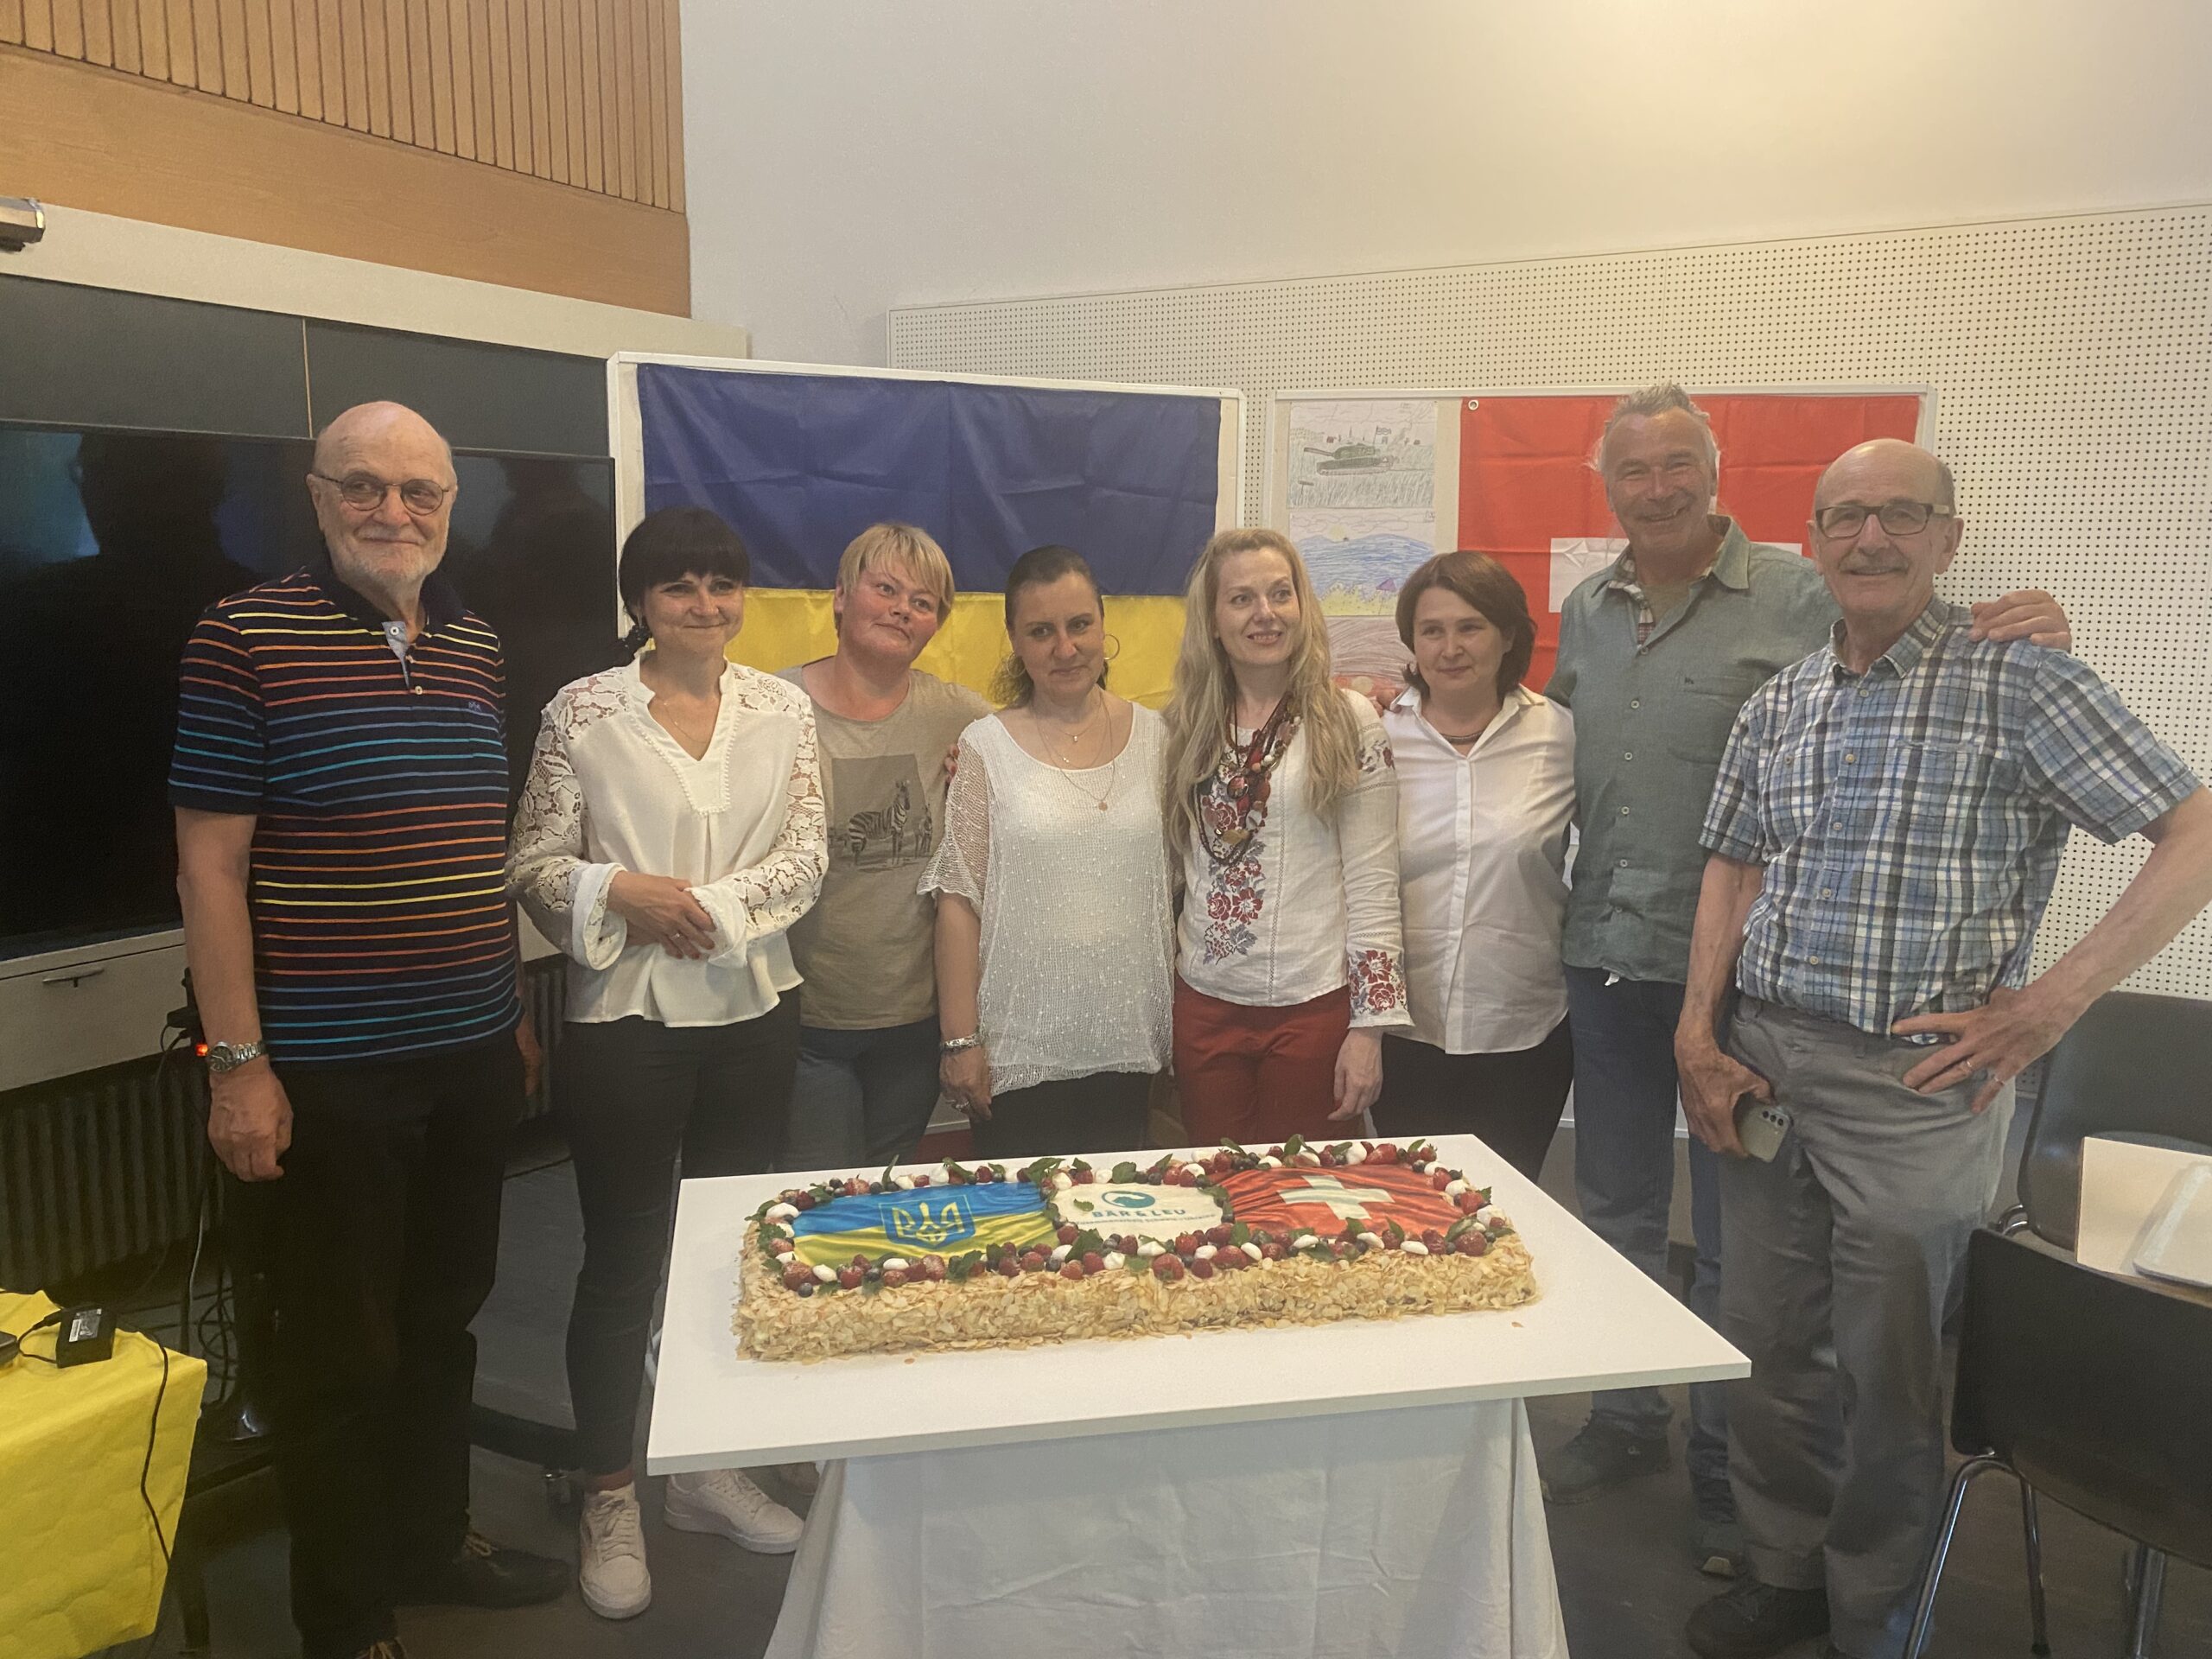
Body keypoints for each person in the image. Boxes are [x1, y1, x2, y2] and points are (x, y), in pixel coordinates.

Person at [1674, 439, 2212, 1659]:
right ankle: (1782, 1570)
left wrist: (2052, 1005)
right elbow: (1733, 867)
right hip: (1764, 1064)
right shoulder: (1782, 701)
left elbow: (2194, 831)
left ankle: (1870, 1612)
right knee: (1768, 1346)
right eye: (1845, 516)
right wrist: (1698, 1028)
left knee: (1891, 1373)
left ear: (1948, 537)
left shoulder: (2023, 682)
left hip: (1916, 1087)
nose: (1871, 537)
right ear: (1812, 542)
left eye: (1901, 514)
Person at [1541, 384, 2069, 1575]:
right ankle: (1624, 1420)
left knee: (1741, 1256)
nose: (1658, 489)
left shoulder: (1800, 592)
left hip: (1747, 985)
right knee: (1617, 1209)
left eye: (1677, 465)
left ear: (1714, 473)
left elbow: (1919, 651)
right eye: (1633, 470)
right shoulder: (1584, 609)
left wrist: (2034, 627)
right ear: (1606, 486)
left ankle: (1727, 1478)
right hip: (1610, 959)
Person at [169, 402, 564, 1659]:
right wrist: (240, 1068)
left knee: (446, 1317)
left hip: (471, 1052)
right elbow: (209, 868)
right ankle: (344, 1620)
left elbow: (471, 845)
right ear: (317, 495)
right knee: (342, 1352)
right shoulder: (243, 636)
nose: (394, 512)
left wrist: (508, 1011)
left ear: (450, 507)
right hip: (330, 1074)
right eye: (365, 486)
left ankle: (429, 1542)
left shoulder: (476, 641)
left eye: (420, 491)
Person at [510, 505, 825, 1619]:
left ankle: (703, 1473)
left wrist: (707, 910)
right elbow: (534, 862)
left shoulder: (782, 708)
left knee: (727, 1255)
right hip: (626, 1024)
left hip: (752, 1013)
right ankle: (609, 1491)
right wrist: (619, 892)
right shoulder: (582, 712)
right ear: (639, 601)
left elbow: (806, 854)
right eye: (678, 585)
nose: (703, 604)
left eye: (721, 583)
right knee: (622, 1264)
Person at [1162, 527, 1411, 1144]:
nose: (1265, 613)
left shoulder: (1349, 721)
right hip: (1205, 1005)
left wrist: (1370, 1030)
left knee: (1304, 1191)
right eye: (1241, 599)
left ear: (1302, 605)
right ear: (1213, 620)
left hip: (1314, 1007)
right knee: (1216, 1182)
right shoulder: (1182, 726)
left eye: (1280, 593)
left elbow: (1375, 881)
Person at [923, 545, 1172, 1157]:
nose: (1065, 648)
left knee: (1120, 1212)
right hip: (1018, 1051)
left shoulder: (1159, 738)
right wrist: (960, 1042)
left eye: (1080, 624)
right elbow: (958, 902)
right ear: (1014, 640)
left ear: (1104, 624)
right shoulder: (984, 747)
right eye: (1041, 632)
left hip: (1129, 1039)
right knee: (1024, 1215)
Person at [778, 524, 988, 1170]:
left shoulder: (962, 718)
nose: (902, 610)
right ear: (842, 597)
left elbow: (1039, 772)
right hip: (800, 1018)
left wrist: (985, 778)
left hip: (913, 1022)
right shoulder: (770, 707)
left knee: (889, 1184)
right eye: (886, 589)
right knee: (820, 1194)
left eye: (922, 602)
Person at [1373, 552, 1574, 1181]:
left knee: (1504, 1208)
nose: (1451, 648)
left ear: (1508, 635)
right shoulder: (1375, 734)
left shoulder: (1561, 735)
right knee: (1410, 1210)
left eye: (1471, 627)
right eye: (1432, 630)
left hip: (1523, 1030)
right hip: (1404, 1033)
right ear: (1412, 642)